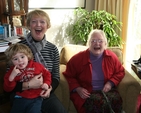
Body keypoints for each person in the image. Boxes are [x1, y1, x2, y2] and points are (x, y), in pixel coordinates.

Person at [9, 9, 67, 113]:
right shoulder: (18, 48)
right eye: (34, 21)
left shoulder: (53, 49)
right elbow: (9, 79)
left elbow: (56, 76)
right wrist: (28, 85)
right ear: (28, 25)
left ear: (47, 26)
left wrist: (49, 89)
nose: (38, 25)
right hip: (22, 94)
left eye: (42, 22)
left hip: (45, 92)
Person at [63, 29, 125, 113]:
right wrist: (77, 88)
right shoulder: (78, 59)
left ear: (105, 44)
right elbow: (68, 75)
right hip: (87, 92)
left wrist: (110, 83)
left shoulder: (111, 57)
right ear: (88, 44)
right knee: (98, 103)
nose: (97, 43)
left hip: (106, 91)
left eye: (100, 41)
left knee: (115, 100)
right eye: (93, 41)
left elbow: (120, 71)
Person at [4, 43, 51, 113]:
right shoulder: (12, 71)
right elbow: (7, 89)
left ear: (28, 56)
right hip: (20, 98)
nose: (20, 61)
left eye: (22, 57)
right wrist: (12, 76)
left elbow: (47, 74)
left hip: (36, 97)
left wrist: (46, 84)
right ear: (11, 61)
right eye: (15, 59)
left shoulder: (37, 66)